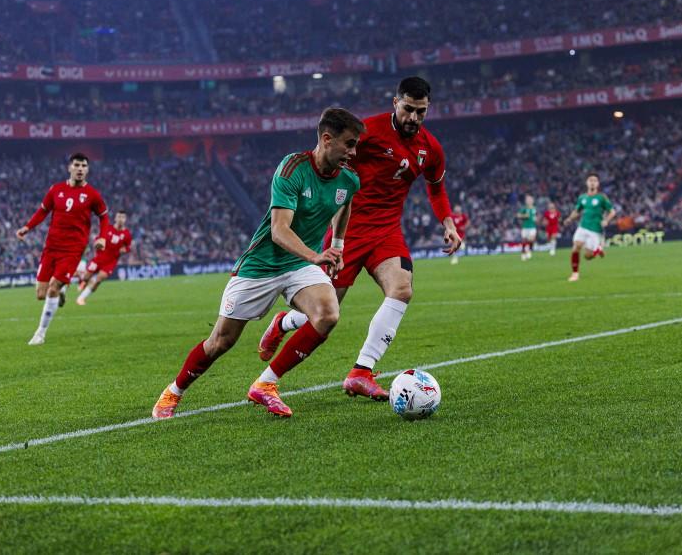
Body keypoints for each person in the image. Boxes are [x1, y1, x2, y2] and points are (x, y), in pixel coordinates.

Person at [151, 108, 364, 419]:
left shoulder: (348, 179)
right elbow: (279, 231)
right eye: (349, 144)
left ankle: (265, 385)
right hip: (262, 265)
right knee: (221, 342)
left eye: (355, 145)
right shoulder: (293, 169)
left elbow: (344, 203)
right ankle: (174, 390)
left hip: (300, 265)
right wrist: (316, 256)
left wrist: (337, 246)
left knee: (328, 314)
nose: (353, 152)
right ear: (327, 139)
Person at [261, 77, 462, 402]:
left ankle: (361, 371)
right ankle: (285, 323)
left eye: (420, 112)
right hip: (349, 228)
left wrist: (448, 223)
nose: (413, 117)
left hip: (387, 231)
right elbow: (330, 160)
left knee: (402, 289)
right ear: (395, 103)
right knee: (327, 309)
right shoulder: (367, 132)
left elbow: (436, 188)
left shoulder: (431, 148)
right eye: (408, 109)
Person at [16, 153, 109, 345]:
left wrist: (102, 237)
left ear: (87, 170)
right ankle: (63, 290)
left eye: (84, 166)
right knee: (41, 294)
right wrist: (27, 227)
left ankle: (40, 333)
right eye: (77, 165)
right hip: (51, 247)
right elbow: (43, 211)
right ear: (70, 168)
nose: (80, 169)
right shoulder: (55, 190)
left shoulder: (92, 194)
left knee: (53, 288)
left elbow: (104, 217)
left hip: (73, 249)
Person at [562, 173, 616, 282]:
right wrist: (569, 219)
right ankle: (575, 274)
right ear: (587, 183)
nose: (592, 182)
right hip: (583, 226)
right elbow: (577, 211)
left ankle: (597, 249)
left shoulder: (602, 197)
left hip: (595, 230)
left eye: (595, 180)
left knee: (588, 256)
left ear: (598, 184)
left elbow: (612, 212)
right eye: (590, 180)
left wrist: (606, 220)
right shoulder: (582, 198)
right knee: (576, 247)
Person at [76, 211, 132, 306]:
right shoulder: (107, 229)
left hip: (110, 262)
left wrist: (125, 250)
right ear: (115, 218)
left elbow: (128, 247)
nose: (120, 219)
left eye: (123, 217)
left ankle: (81, 298)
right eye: (119, 217)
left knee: (99, 280)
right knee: (86, 277)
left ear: (125, 219)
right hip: (99, 258)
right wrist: (97, 244)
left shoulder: (126, 234)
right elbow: (97, 239)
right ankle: (83, 281)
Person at [516, 194, 538, 260]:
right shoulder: (524, 208)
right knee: (524, 241)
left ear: (532, 201)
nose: (529, 201)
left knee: (532, 239)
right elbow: (518, 215)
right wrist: (524, 216)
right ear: (526, 201)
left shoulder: (534, 208)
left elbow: (535, 217)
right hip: (525, 227)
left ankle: (528, 250)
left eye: (530, 199)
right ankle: (523, 253)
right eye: (528, 200)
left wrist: (536, 219)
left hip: (532, 227)